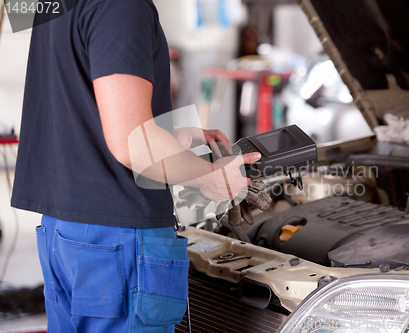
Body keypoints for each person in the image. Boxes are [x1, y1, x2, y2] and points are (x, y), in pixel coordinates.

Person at [11, 0, 260, 332]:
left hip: (64, 228)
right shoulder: (123, 6)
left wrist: (170, 136)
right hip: (117, 237)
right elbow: (133, 145)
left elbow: (78, 101)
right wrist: (210, 176)